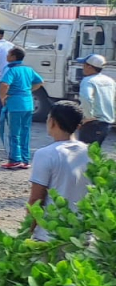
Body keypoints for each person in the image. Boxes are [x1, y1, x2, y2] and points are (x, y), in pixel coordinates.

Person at [27, 101, 90, 241]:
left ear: (52, 121)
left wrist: (27, 231)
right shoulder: (90, 153)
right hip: (81, 235)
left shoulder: (46, 154)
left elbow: (36, 200)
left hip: (50, 235)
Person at [0, 47, 44, 169]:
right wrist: (29, 90)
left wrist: (2, 97)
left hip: (15, 104)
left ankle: (15, 159)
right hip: (28, 104)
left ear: (13, 57)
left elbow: (4, 84)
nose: (6, 56)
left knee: (14, 133)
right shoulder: (28, 69)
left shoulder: (11, 70)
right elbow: (40, 82)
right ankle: (25, 159)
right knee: (25, 132)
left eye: (8, 53)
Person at [76, 54, 114, 146]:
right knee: (95, 153)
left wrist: (88, 117)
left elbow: (87, 98)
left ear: (89, 66)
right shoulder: (110, 81)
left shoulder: (88, 81)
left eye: (84, 65)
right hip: (106, 123)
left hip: (93, 122)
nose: (83, 67)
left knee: (85, 153)